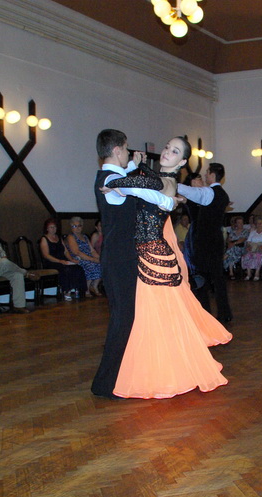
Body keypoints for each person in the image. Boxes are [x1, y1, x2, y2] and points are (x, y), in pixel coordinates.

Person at [105, 136, 230, 399]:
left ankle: (168, 373)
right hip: (149, 254)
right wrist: (136, 168)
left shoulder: (167, 182)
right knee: (158, 317)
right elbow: (145, 180)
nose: (166, 153)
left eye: (174, 151)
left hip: (154, 256)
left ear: (182, 162)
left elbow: (141, 184)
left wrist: (115, 182)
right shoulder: (162, 179)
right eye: (166, 148)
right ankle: (166, 370)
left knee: (158, 316)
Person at [89, 129, 177, 399]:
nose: (128, 153)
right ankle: (106, 384)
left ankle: (117, 380)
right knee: (123, 318)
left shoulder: (112, 177)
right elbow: (144, 188)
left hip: (121, 256)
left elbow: (132, 183)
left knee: (126, 317)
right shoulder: (111, 179)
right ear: (117, 150)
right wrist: (168, 200)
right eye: (126, 149)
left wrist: (131, 167)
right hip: (119, 257)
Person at [178, 162, 234, 323]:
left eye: (207, 172)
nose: (204, 175)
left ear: (212, 175)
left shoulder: (208, 192)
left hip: (204, 242)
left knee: (201, 276)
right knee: (217, 278)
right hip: (216, 240)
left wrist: (170, 181)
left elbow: (188, 191)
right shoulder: (222, 194)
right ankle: (224, 313)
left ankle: (204, 312)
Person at [39, 218, 87, 300]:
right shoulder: (44, 239)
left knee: (78, 268)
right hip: (52, 262)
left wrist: (71, 259)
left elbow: (65, 251)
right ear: (47, 228)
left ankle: (79, 290)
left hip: (63, 260)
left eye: (54, 227)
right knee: (65, 269)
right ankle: (66, 291)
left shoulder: (58, 238)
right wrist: (59, 261)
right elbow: (46, 255)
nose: (53, 229)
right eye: (51, 227)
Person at [66, 216, 102, 297]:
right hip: (78, 258)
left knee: (101, 264)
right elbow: (76, 252)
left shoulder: (85, 237)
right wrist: (92, 259)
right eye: (74, 226)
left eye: (79, 226)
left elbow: (92, 250)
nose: (77, 228)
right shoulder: (71, 237)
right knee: (90, 265)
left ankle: (94, 286)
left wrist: (99, 258)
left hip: (88, 257)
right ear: (71, 227)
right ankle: (86, 289)